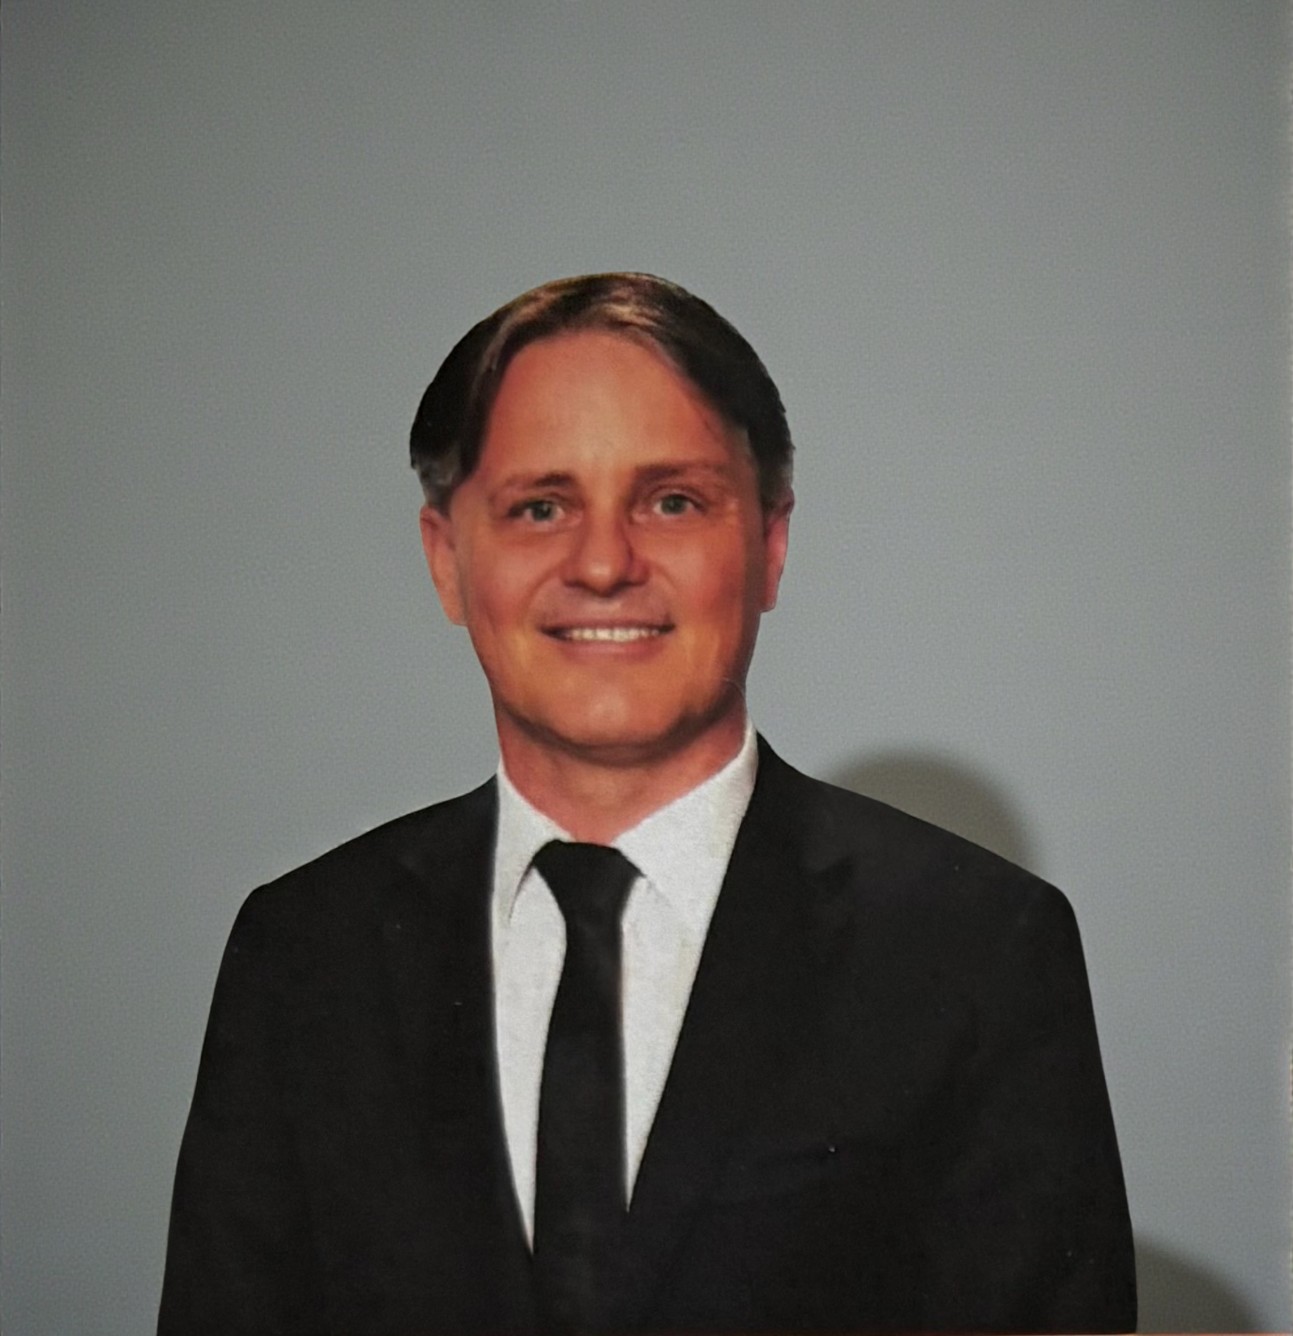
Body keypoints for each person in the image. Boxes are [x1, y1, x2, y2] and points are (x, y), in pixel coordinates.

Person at [158, 272, 1136, 1334]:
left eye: (671, 500)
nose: (605, 562)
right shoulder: (304, 953)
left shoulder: (978, 950)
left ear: (769, 543)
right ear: (447, 559)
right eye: (541, 507)